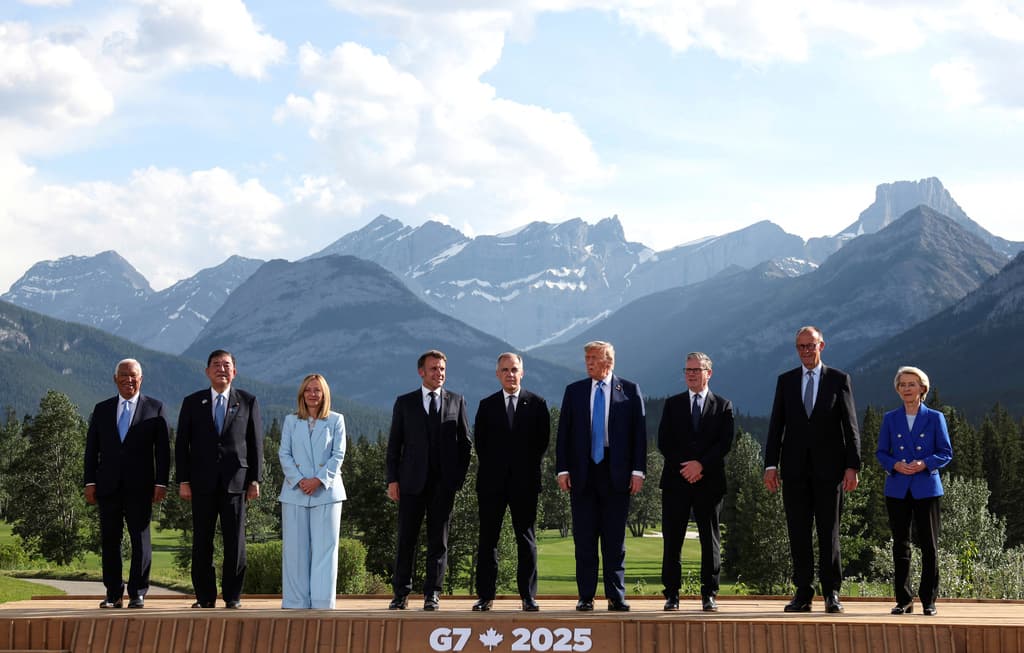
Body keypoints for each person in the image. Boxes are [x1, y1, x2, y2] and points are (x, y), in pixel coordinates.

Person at [764, 326, 861, 614]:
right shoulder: (786, 381)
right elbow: (775, 426)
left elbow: (850, 426)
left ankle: (832, 593)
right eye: (801, 346)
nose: (806, 351)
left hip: (830, 471)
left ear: (822, 346)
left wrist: (852, 466)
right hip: (793, 471)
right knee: (798, 533)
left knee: (828, 532)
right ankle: (803, 593)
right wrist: (771, 464)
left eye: (811, 345)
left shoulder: (839, 379)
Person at [555, 340, 646, 612]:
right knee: (584, 539)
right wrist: (562, 469)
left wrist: (638, 471)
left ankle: (616, 597)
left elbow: (639, 436)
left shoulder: (629, 390)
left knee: (614, 540)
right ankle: (585, 596)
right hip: (582, 474)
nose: (588, 363)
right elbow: (563, 435)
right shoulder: (574, 391)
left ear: (609, 362)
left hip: (616, 473)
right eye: (586, 358)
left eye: (593, 358)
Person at [176, 349, 264, 609]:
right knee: (201, 541)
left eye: (226, 365)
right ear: (207, 371)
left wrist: (255, 479)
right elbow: (182, 444)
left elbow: (255, 442)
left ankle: (233, 596)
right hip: (201, 482)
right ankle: (204, 597)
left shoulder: (247, 401)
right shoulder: (192, 402)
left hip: (236, 482)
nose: (221, 369)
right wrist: (183, 479)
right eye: (216, 365)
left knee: (235, 542)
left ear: (234, 371)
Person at [385, 350, 472, 611]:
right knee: (406, 540)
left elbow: (466, 443)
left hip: (443, 486)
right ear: (421, 372)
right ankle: (401, 593)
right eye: (434, 368)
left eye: (442, 369)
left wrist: (457, 479)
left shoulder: (457, 401)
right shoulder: (405, 403)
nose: (439, 373)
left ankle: (432, 593)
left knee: (439, 541)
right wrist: (392, 480)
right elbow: (394, 445)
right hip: (410, 483)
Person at [83, 358, 170, 609]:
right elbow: (92, 450)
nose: (128, 379)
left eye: (133, 375)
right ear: (115, 379)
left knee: (140, 539)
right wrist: (90, 481)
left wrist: (161, 483)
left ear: (141, 379)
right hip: (107, 485)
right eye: (123, 375)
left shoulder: (156, 408)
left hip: (141, 486)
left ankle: (138, 592)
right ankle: (113, 594)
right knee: (110, 540)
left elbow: (163, 453)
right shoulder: (102, 409)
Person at [472, 353, 550, 612]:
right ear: (497, 374)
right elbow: (481, 444)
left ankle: (528, 597)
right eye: (504, 370)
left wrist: (521, 469)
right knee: (488, 541)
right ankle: (485, 596)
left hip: (525, 484)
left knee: (526, 541)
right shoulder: (486, 405)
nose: (509, 374)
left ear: (522, 372)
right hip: (491, 484)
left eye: (514, 369)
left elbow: (542, 444)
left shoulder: (537, 404)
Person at [657, 352, 734, 612]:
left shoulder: (723, 405)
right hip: (676, 481)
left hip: (709, 482)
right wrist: (687, 467)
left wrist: (700, 465)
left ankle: (709, 594)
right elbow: (664, 442)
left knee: (709, 539)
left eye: (696, 370)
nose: (690, 374)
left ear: (708, 373)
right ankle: (671, 595)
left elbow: (724, 443)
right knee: (672, 540)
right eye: (687, 370)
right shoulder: (672, 404)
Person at [876, 366, 952, 617]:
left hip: (926, 488)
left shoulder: (935, 417)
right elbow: (881, 453)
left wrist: (924, 463)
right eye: (902, 385)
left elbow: (945, 452)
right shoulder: (890, 418)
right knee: (900, 545)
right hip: (897, 488)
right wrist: (894, 464)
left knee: (929, 546)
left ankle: (929, 600)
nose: (907, 389)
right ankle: (904, 600)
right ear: (898, 390)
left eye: (912, 384)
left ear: (923, 389)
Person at [278, 374, 347, 609]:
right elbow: (283, 454)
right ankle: (295, 601)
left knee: (325, 550)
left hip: (327, 491)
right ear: (302, 394)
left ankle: (322, 602)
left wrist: (318, 480)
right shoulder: (290, 421)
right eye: (308, 390)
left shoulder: (336, 420)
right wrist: (299, 480)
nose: (313, 394)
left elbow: (338, 455)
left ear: (325, 394)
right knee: (294, 551)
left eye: (317, 390)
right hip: (294, 492)